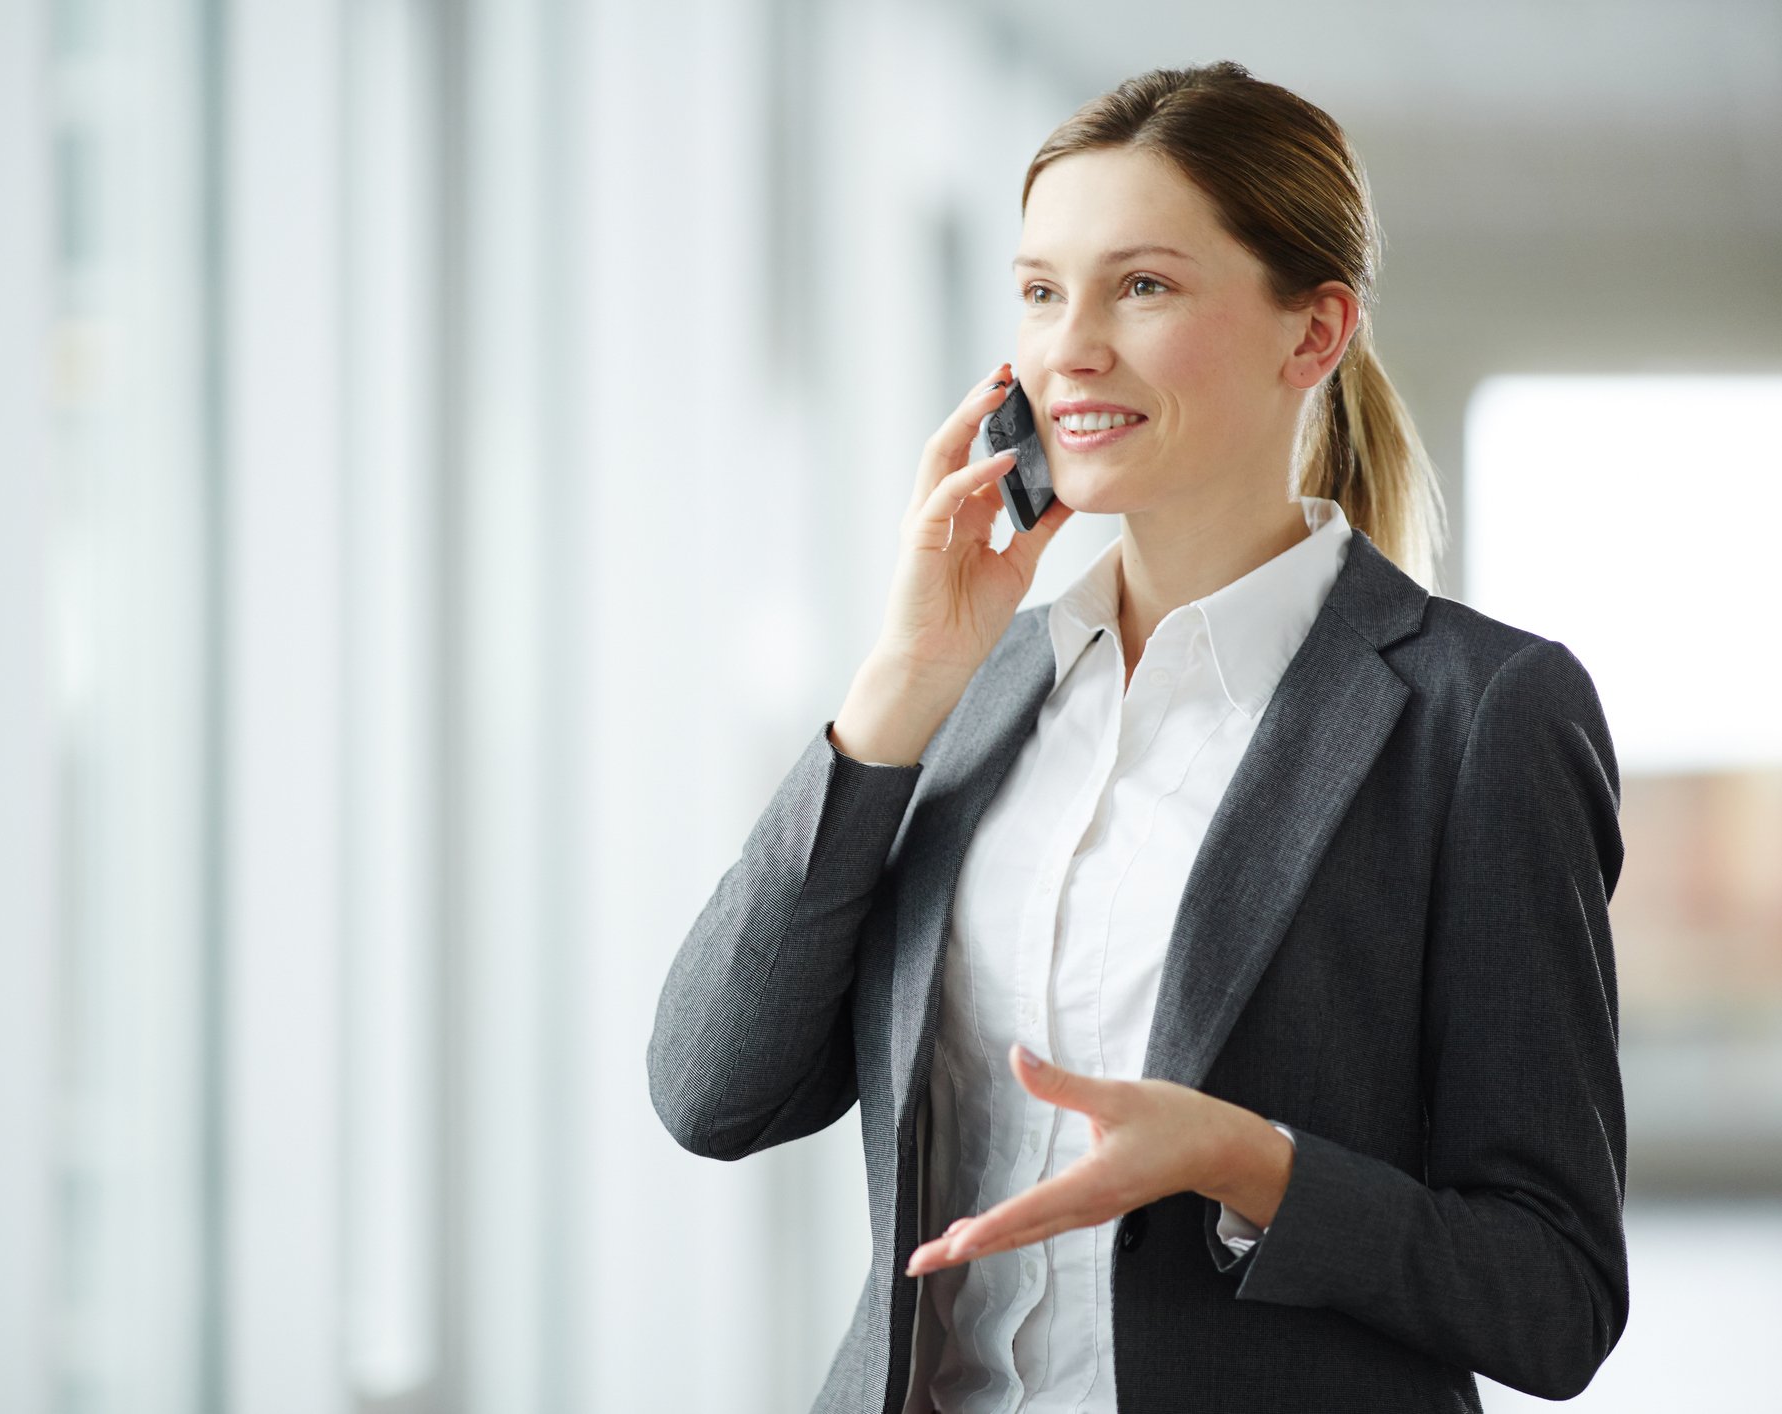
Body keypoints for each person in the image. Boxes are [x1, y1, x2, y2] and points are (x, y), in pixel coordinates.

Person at [646, 59, 1626, 1413]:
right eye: (1041, 290)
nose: (1069, 346)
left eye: (1142, 286)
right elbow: (712, 1092)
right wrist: (902, 678)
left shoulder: (1479, 716)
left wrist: (1247, 1161)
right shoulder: (976, 696)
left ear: (1312, 333)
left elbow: (1551, 1293)